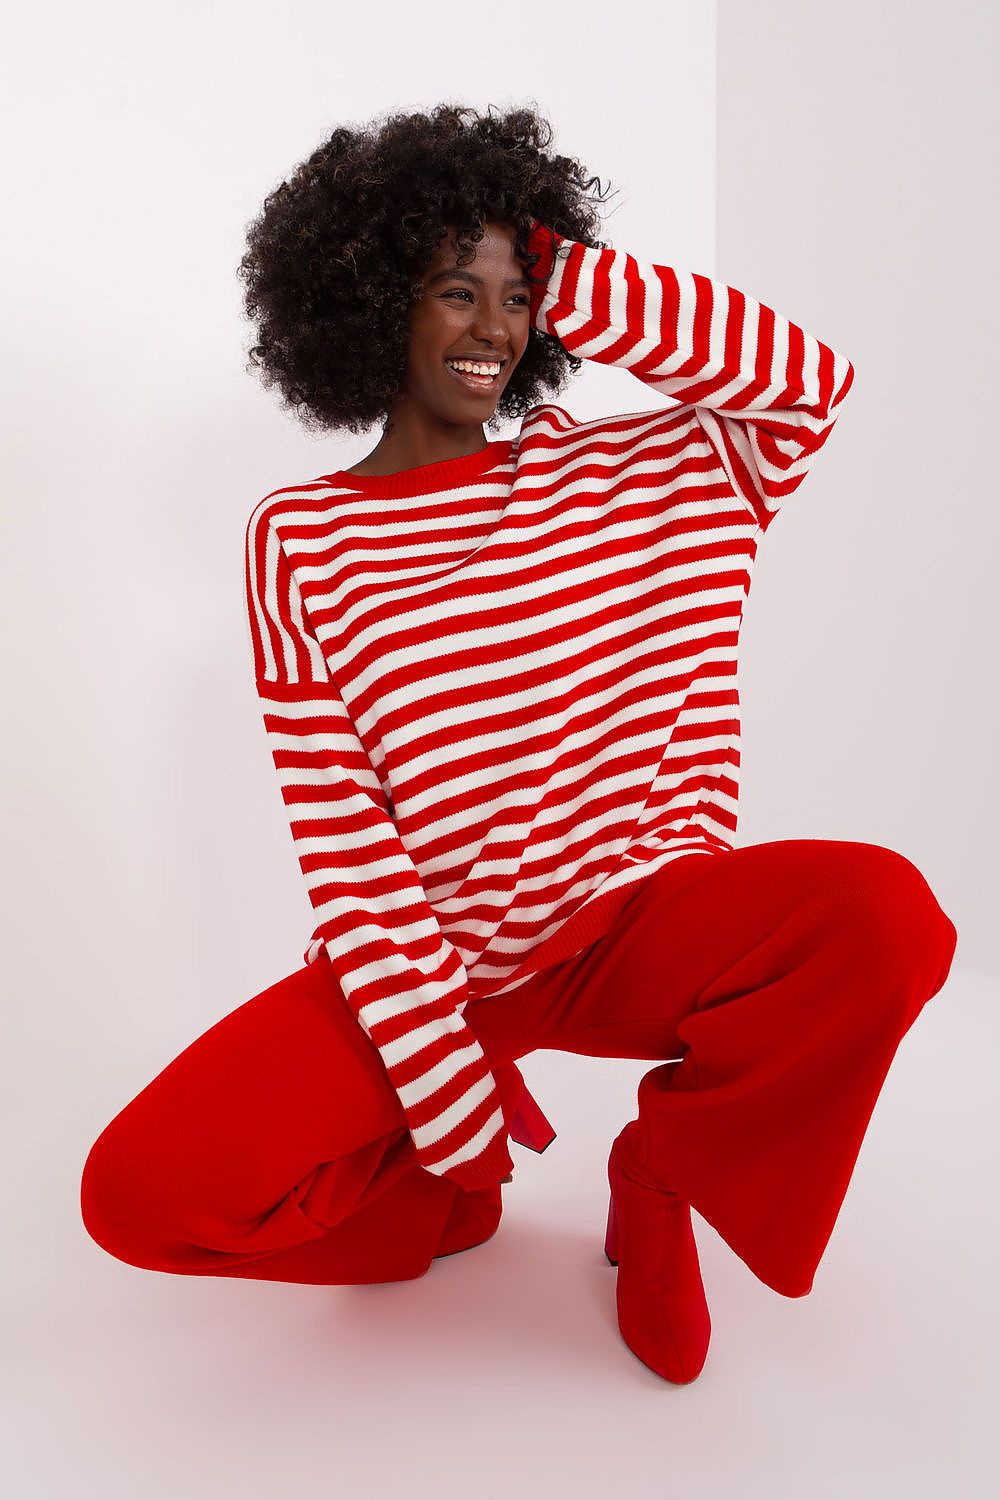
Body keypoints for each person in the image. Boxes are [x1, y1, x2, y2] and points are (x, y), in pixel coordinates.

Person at [79, 102, 959, 1385]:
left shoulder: (658, 475)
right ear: (372, 301)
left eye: (517, 295)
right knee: (136, 1194)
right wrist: (445, 1090)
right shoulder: (301, 539)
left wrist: (566, 271)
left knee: (886, 915)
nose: (493, 327)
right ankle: (438, 1206)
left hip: (640, 921)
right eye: (455, 289)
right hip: (434, 966)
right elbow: (345, 834)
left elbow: (806, 381)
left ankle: (659, 1176)